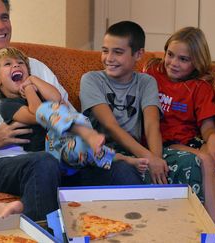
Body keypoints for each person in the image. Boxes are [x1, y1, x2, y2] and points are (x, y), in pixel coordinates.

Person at [0, 0, 144, 221]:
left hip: (57, 155)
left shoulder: (37, 69)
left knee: (122, 170)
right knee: (43, 163)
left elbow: (66, 110)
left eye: (5, 17)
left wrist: (84, 138)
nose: (1, 26)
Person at [79, 21, 204, 214]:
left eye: (118, 52)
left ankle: (192, 227)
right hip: (105, 153)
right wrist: (149, 158)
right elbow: (111, 126)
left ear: (138, 54)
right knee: (128, 170)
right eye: (105, 51)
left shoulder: (146, 82)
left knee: (189, 161)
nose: (109, 58)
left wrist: (156, 159)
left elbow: (152, 125)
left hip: (139, 151)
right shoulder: (92, 80)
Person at [143, 26, 215, 238]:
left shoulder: (199, 86)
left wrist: (214, 139)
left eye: (183, 59)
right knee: (204, 160)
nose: (173, 63)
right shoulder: (153, 73)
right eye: (170, 55)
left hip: (192, 139)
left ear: (196, 62)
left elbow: (207, 126)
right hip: (166, 142)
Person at [0, 47, 148, 175]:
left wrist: (33, 80)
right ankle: (84, 132)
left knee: (89, 149)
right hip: (48, 153)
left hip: (67, 149)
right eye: (8, 64)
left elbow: (56, 97)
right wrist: (28, 89)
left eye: (20, 63)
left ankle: (124, 159)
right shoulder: (7, 105)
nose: (16, 65)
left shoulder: (37, 91)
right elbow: (37, 113)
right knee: (48, 109)